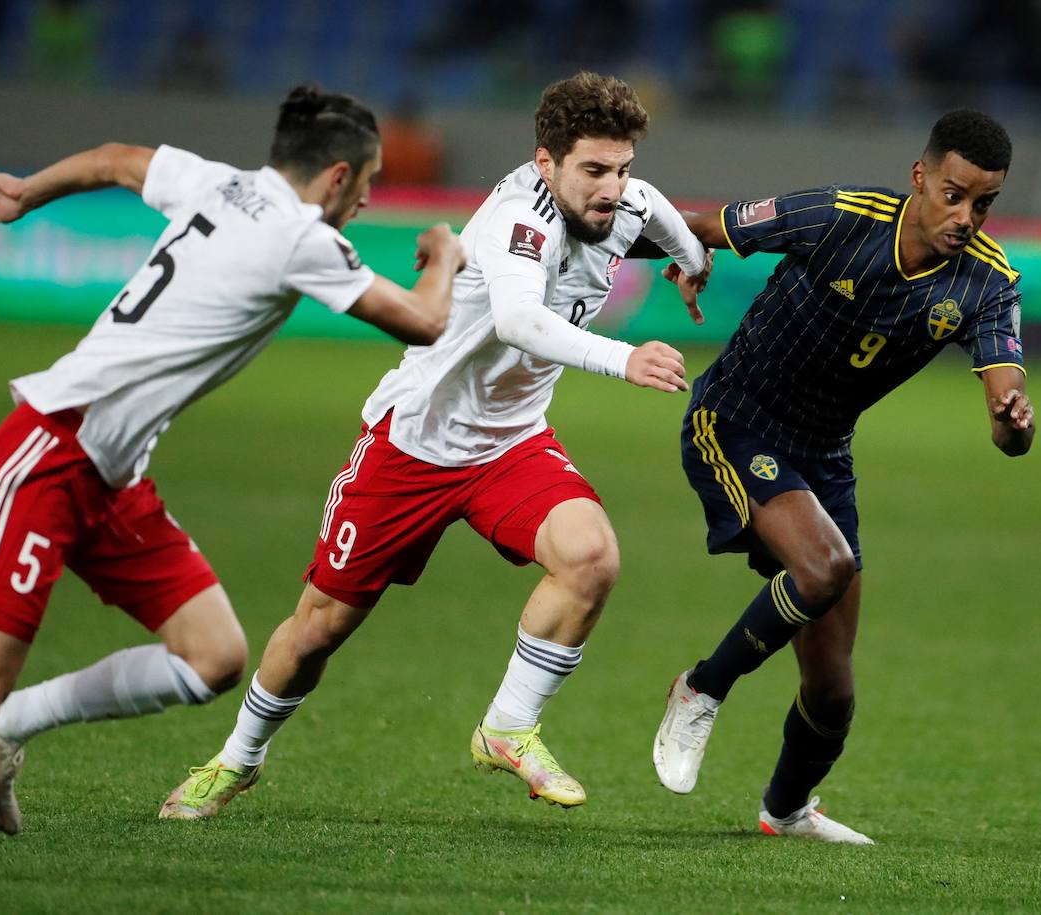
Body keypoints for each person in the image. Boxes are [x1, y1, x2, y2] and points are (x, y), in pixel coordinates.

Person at [160, 71, 710, 819]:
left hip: (509, 445)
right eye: (594, 170)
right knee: (318, 629)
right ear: (546, 163)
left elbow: (659, 212)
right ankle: (237, 758)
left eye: (621, 167)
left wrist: (691, 260)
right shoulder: (523, 219)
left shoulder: (623, 197)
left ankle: (508, 726)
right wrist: (624, 357)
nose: (613, 187)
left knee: (591, 557)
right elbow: (519, 320)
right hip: (413, 444)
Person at [0, 85, 464, 835]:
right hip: (52, 450)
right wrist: (445, 252)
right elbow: (425, 320)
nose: (369, 201)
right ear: (339, 176)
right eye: (371, 182)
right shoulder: (300, 238)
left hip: (112, 476)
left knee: (213, 657)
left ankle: (12, 724)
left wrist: (29, 190)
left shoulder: (221, 182)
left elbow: (119, 160)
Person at [651, 109, 1035, 843]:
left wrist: (1014, 421)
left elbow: (1008, 410)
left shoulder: (987, 283)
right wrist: (592, 250)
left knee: (831, 691)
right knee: (827, 566)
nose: (967, 217)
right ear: (920, 177)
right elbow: (697, 227)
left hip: (824, 457)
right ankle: (702, 686)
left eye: (984, 203)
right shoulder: (838, 216)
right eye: (954, 194)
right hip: (735, 418)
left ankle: (786, 810)